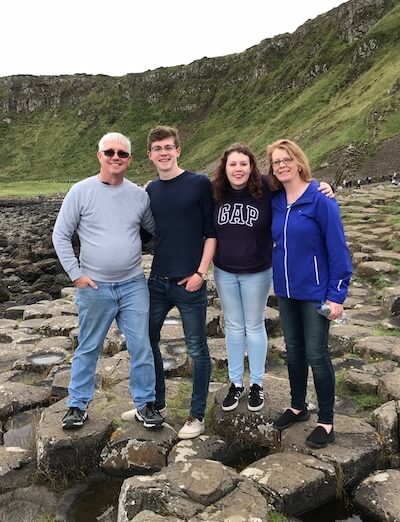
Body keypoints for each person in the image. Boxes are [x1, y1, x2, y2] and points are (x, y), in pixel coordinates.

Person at [52, 132, 164, 430]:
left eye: (122, 154)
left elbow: (153, 230)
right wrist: (76, 275)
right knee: (88, 347)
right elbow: (61, 235)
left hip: (133, 285)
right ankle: (77, 405)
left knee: (141, 345)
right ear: (99, 155)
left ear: (129, 159)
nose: (116, 157)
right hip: (95, 287)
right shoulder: (80, 191)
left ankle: (145, 404)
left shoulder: (139, 195)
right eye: (110, 152)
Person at [212, 144, 334, 414]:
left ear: (252, 167)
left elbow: (298, 185)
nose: (238, 169)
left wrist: (322, 187)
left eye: (244, 164)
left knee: (254, 326)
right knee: (233, 326)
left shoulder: (267, 188)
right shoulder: (215, 191)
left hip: (257, 271)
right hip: (224, 270)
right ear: (224, 167)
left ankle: (256, 384)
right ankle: (235, 383)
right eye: (233, 164)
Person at [122, 126, 217, 440]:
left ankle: (196, 415)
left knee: (197, 350)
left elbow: (211, 232)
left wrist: (200, 274)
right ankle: (155, 403)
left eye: (168, 147)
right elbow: (142, 233)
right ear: (149, 155)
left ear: (178, 150)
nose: (163, 153)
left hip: (190, 282)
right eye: (157, 148)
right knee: (146, 341)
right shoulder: (150, 190)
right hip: (157, 282)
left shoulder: (199, 183)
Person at [267, 139, 352, 449]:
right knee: (293, 350)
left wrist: (337, 296)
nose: (282, 165)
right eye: (276, 162)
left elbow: (338, 249)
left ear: (299, 161)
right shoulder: (275, 200)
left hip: (316, 293)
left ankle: (327, 421)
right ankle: (297, 406)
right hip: (287, 291)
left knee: (317, 354)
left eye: (286, 159)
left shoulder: (321, 200)